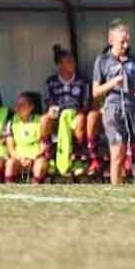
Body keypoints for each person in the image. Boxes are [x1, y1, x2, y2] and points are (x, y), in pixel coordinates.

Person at [91, 20, 135, 185]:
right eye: (122, 42)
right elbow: (96, 92)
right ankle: (116, 191)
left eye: (128, 41)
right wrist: (113, 83)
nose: (126, 45)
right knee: (118, 154)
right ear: (111, 40)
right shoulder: (103, 61)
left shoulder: (133, 61)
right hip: (113, 110)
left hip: (134, 108)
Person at [40, 45, 93, 175]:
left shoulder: (82, 81)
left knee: (79, 121)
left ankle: (78, 156)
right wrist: (53, 111)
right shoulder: (51, 82)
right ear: (60, 65)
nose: (72, 64)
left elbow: (85, 104)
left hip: (76, 114)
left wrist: (78, 114)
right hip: (57, 115)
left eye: (73, 61)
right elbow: (49, 102)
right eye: (68, 62)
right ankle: (49, 153)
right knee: (44, 119)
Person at [4, 92, 48, 184]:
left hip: (35, 158)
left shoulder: (40, 121)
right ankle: (9, 191)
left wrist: (33, 158)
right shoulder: (11, 122)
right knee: (10, 163)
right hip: (19, 158)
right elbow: (10, 148)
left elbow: (44, 145)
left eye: (22, 105)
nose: (18, 108)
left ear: (31, 107)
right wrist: (20, 158)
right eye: (17, 105)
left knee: (40, 165)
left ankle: (35, 191)